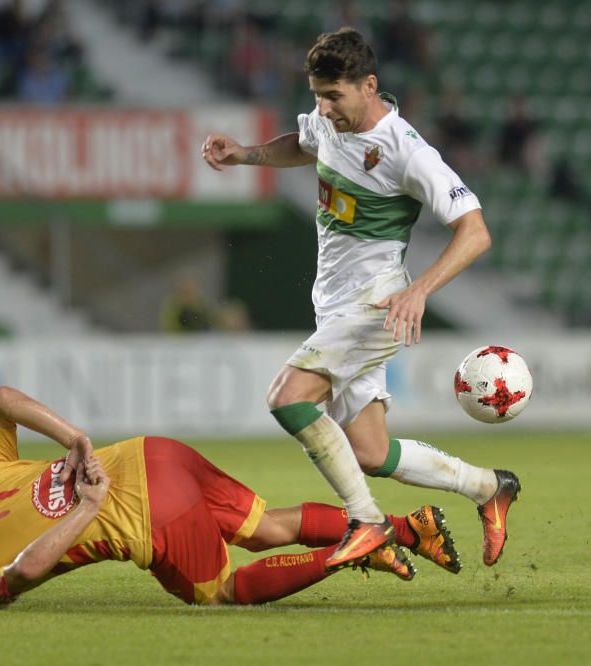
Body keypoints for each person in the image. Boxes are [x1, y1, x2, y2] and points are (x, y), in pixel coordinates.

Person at [201, 27, 519, 572]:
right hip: (333, 301)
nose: (323, 108)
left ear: (369, 85)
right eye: (317, 96)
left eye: (334, 97)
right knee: (372, 453)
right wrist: (246, 155)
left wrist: (418, 290)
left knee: (287, 397)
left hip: (378, 302)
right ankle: (490, 486)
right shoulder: (328, 123)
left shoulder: (408, 152)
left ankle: (366, 520)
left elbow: (475, 232)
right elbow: (302, 145)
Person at [0, 385, 463, 609]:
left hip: (151, 517)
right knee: (266, 527)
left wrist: (90, 507)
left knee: (221, 592)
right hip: (154, 454)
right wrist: (74, 438)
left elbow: (22, 573)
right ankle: (411, 529)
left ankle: (359, 549)